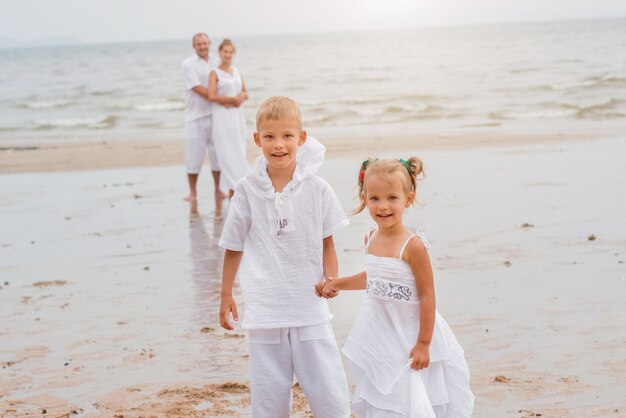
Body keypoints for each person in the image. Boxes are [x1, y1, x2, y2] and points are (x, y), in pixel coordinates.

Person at [218, 96, 351, 417]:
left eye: (287, 136)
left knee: (329, 393)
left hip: (309, 307)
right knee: (268, 398)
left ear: (301, 139)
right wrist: (225, 294)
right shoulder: (247, 190)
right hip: (266, 310)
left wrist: (331, 278)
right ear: (257, 140)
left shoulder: (318, 188)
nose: (279, 145)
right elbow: (233, 245)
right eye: (270, 137)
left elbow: (327, 243)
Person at [316, 158, 474, 417]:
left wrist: (424, 343)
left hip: (410, 332)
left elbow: (427, 294)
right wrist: (339, 283)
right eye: (375, 198)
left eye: (392, 198)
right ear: (364, 198)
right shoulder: (370, 237)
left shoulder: (413, 245)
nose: (383, 206)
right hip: (382, 331)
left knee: (412, 394)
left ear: (408, 200)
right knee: (386, 393)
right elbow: (375, 278)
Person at [180, 33, 232, 205]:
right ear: (194, 46)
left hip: (216, 116)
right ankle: (192, 192)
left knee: (217, 155)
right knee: (194, 155)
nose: (202, 46)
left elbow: (225, 81)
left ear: (209, 44)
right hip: (195, 117)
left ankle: (218, 189)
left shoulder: (217, 61)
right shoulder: (188, 64)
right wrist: (218, 98)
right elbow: (196, 88)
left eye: (205, 43)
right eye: (199, 44)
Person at [208, 39, 249, 198]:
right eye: (225, 51)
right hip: (222, 116)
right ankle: (233, 185)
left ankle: (240, 186)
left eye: (230, 52)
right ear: (219, 53)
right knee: (226, 152)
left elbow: (245, 91)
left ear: (234, 53)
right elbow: (211, 96)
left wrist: (240, 97)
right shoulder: (215, 73)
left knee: (239, 149)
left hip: (237, 116)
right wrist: (231, 100)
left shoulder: (237, 71)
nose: (228, 54)